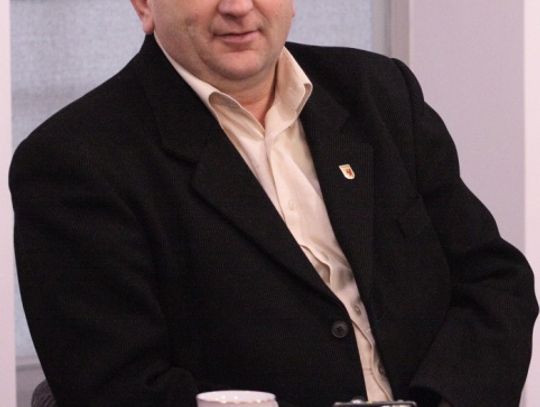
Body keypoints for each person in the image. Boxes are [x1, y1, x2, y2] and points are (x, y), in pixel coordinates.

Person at [9, 1, 538, 407]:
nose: (239, 6)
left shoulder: (380, 93)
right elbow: (120, 389)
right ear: (144, 5)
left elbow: (496, 282)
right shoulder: (75, 162)